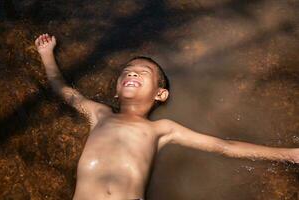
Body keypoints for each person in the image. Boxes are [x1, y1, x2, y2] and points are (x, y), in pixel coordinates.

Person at [35, 33, 298, 200]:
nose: (133, 73)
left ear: (161, 94)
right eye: (127, 71)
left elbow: (224, 146)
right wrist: (47, 55)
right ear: (116, 91)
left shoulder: (162, 129)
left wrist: (289, 155)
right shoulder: (99, 113)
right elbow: (64, 91)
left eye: (143, 71)